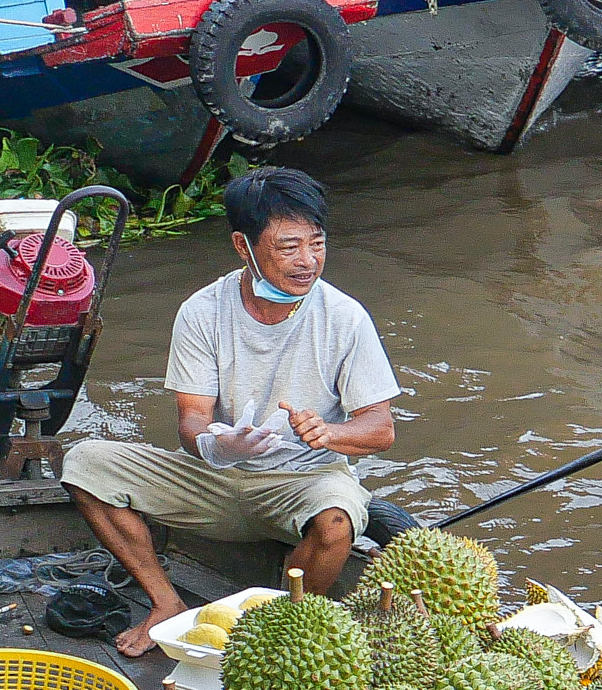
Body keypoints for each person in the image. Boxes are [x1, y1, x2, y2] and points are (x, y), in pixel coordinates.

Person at [64, 167, 399, 655]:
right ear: (244, 247)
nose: (308, 261)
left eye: (317, 244)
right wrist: (219, 443)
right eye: (288, 247)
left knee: (337, 521)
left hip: (303, 483)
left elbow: (380, 429)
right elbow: (191, 420)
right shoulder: (202, 311)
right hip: (216, 480)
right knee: (85, 463)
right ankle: (165, 603)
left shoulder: (345, 317)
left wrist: (327, 432)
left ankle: (285, 630)